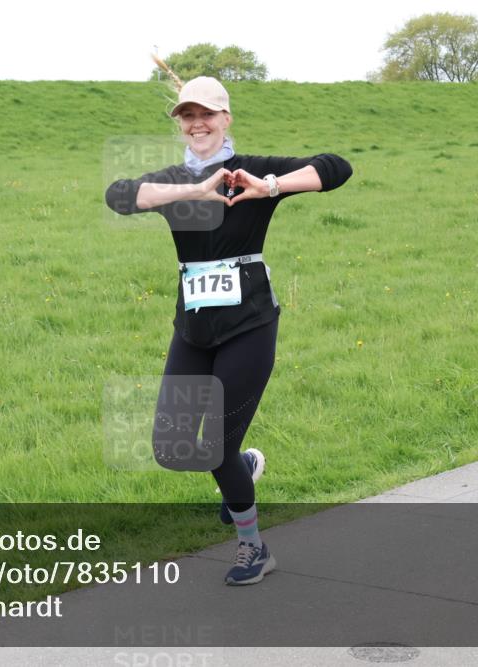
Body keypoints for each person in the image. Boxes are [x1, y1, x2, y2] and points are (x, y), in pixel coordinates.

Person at [105, 76, 353, 585]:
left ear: (226, 119)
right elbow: (119, 194)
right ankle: (243, 464)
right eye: (187, 116)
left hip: (250, 325)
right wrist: (196, 188)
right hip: (193, 329)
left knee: (215, 445)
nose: (197, 124)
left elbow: (336, 167)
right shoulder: (176, 178)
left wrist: (272, 186)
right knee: (172, 450)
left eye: (207, 115)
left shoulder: (252, 171)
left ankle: (252, 548)